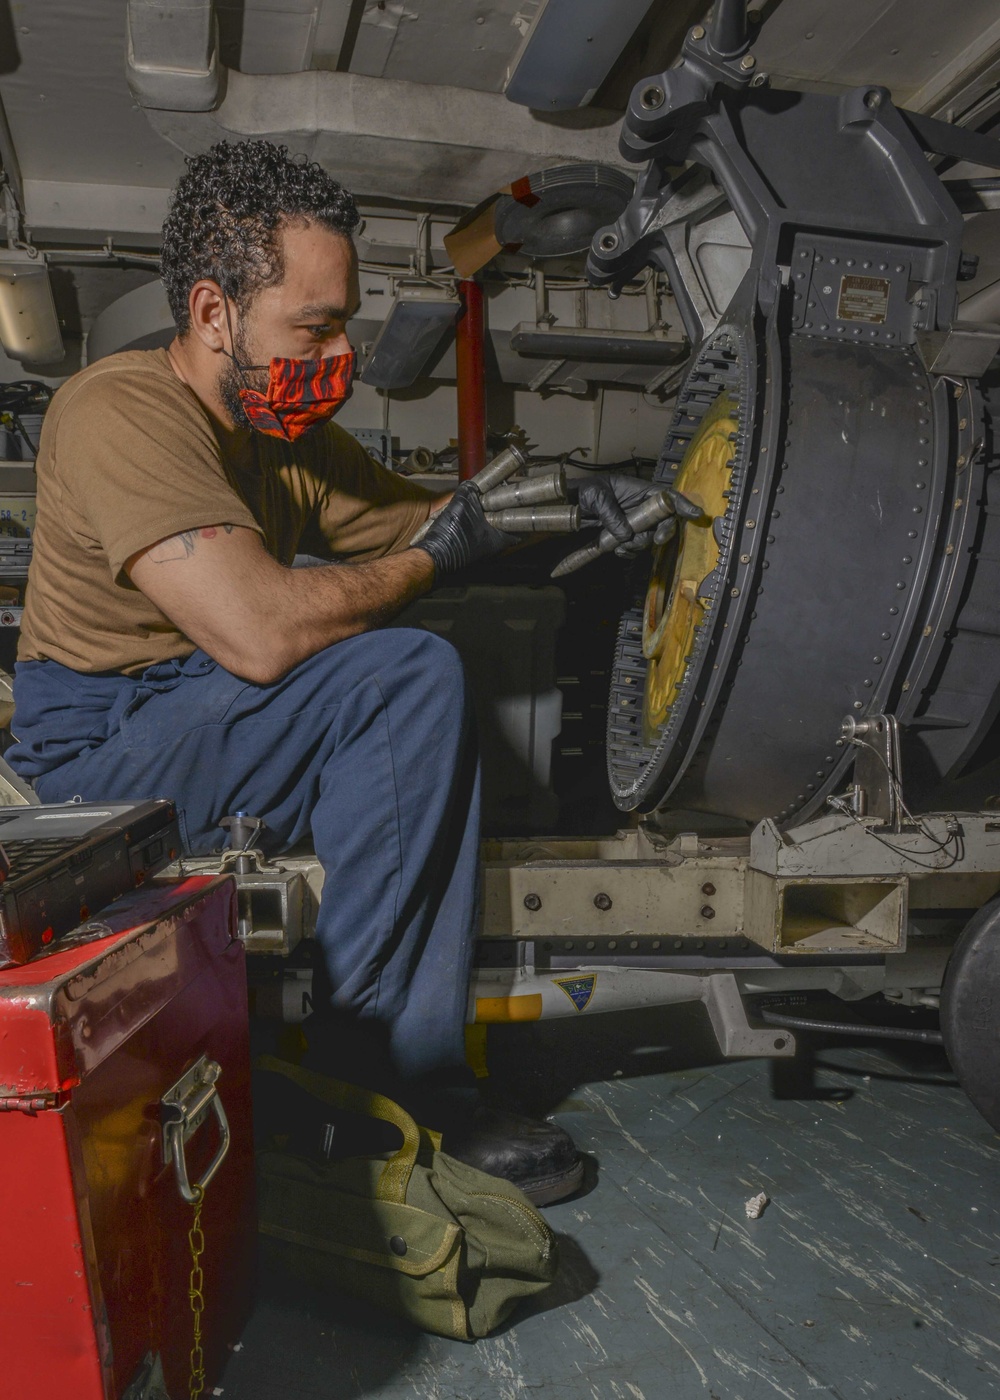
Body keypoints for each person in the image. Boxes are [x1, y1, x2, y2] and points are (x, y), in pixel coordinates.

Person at [8, 139, 689, 1206]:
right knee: (399, 671)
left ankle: (375, 1071)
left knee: (385, 629)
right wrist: (431, 559)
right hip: (98, 763)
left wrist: (576, 492)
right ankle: (385, 1089)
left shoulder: (289, 441)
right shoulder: (115, 412)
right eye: (314, 327)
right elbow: (261, 633)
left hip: (199, 710)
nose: (341, 356)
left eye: (344, 324)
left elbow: (439, 521)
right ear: (213, 312)